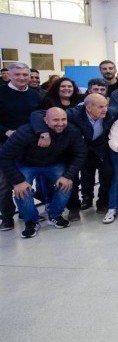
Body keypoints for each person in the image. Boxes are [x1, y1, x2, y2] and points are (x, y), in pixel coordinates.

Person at [0, 108, 86, 238]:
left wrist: (68, 176)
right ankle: (31, 221)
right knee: (22, 191)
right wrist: (18, 181)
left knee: (66, 185)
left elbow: (81, 153)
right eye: (56, 120)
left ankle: (55, 216)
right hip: (26, 164)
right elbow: (4, 156)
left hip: (54, 163)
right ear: (45, 120)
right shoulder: (25, 132)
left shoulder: (71, 131)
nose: (60, 123)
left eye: (63, 119)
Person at [0, 63, 48, 231]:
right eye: (17, 74)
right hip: (5, 144)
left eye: (24, 74)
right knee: (6, 183)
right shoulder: (2, 92)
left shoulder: (36, 95)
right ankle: (6, 217)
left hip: (30, 144)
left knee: (29, 179)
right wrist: (6, 131)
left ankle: (25, 211)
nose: (21, 77)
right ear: (9, 75)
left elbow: (41, 116)